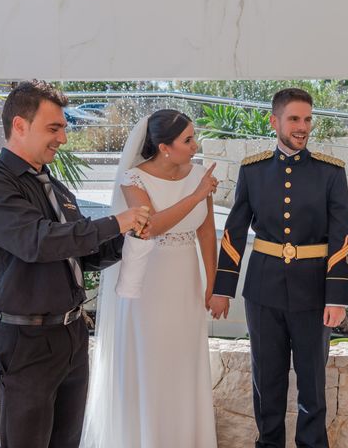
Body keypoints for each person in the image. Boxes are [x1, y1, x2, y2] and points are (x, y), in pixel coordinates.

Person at [0, 80, 150, 448]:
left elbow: (84, 254)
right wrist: (117, 222)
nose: (63, 138)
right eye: (54, 128)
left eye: (63, 127)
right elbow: (37, 242)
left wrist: (128, 239)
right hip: (25, 341)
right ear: (19, 125)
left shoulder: (57, 189)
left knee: (67, 441)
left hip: (71, 335)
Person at [209, 88, 348, 448]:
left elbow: (342, 237)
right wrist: (222, 288)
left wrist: (337, 296)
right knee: (267, 382)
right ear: (274, 121)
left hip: (314, 291)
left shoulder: (330, 173)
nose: (302, 127)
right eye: (294, 119)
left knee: (312, 386)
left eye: (307, 119)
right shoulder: (253, 170)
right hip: (263, 291)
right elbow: (234, 232)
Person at [81, 109, 219, 448]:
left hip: (186, 280)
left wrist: (213, 285)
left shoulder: (199, 174)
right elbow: (150, 227)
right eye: (188, 139)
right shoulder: (134, 180)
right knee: (153, 361)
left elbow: (206, 232)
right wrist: (197, 195)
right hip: (150, 284)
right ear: (164, 147)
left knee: (185, 361)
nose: (195, 144)